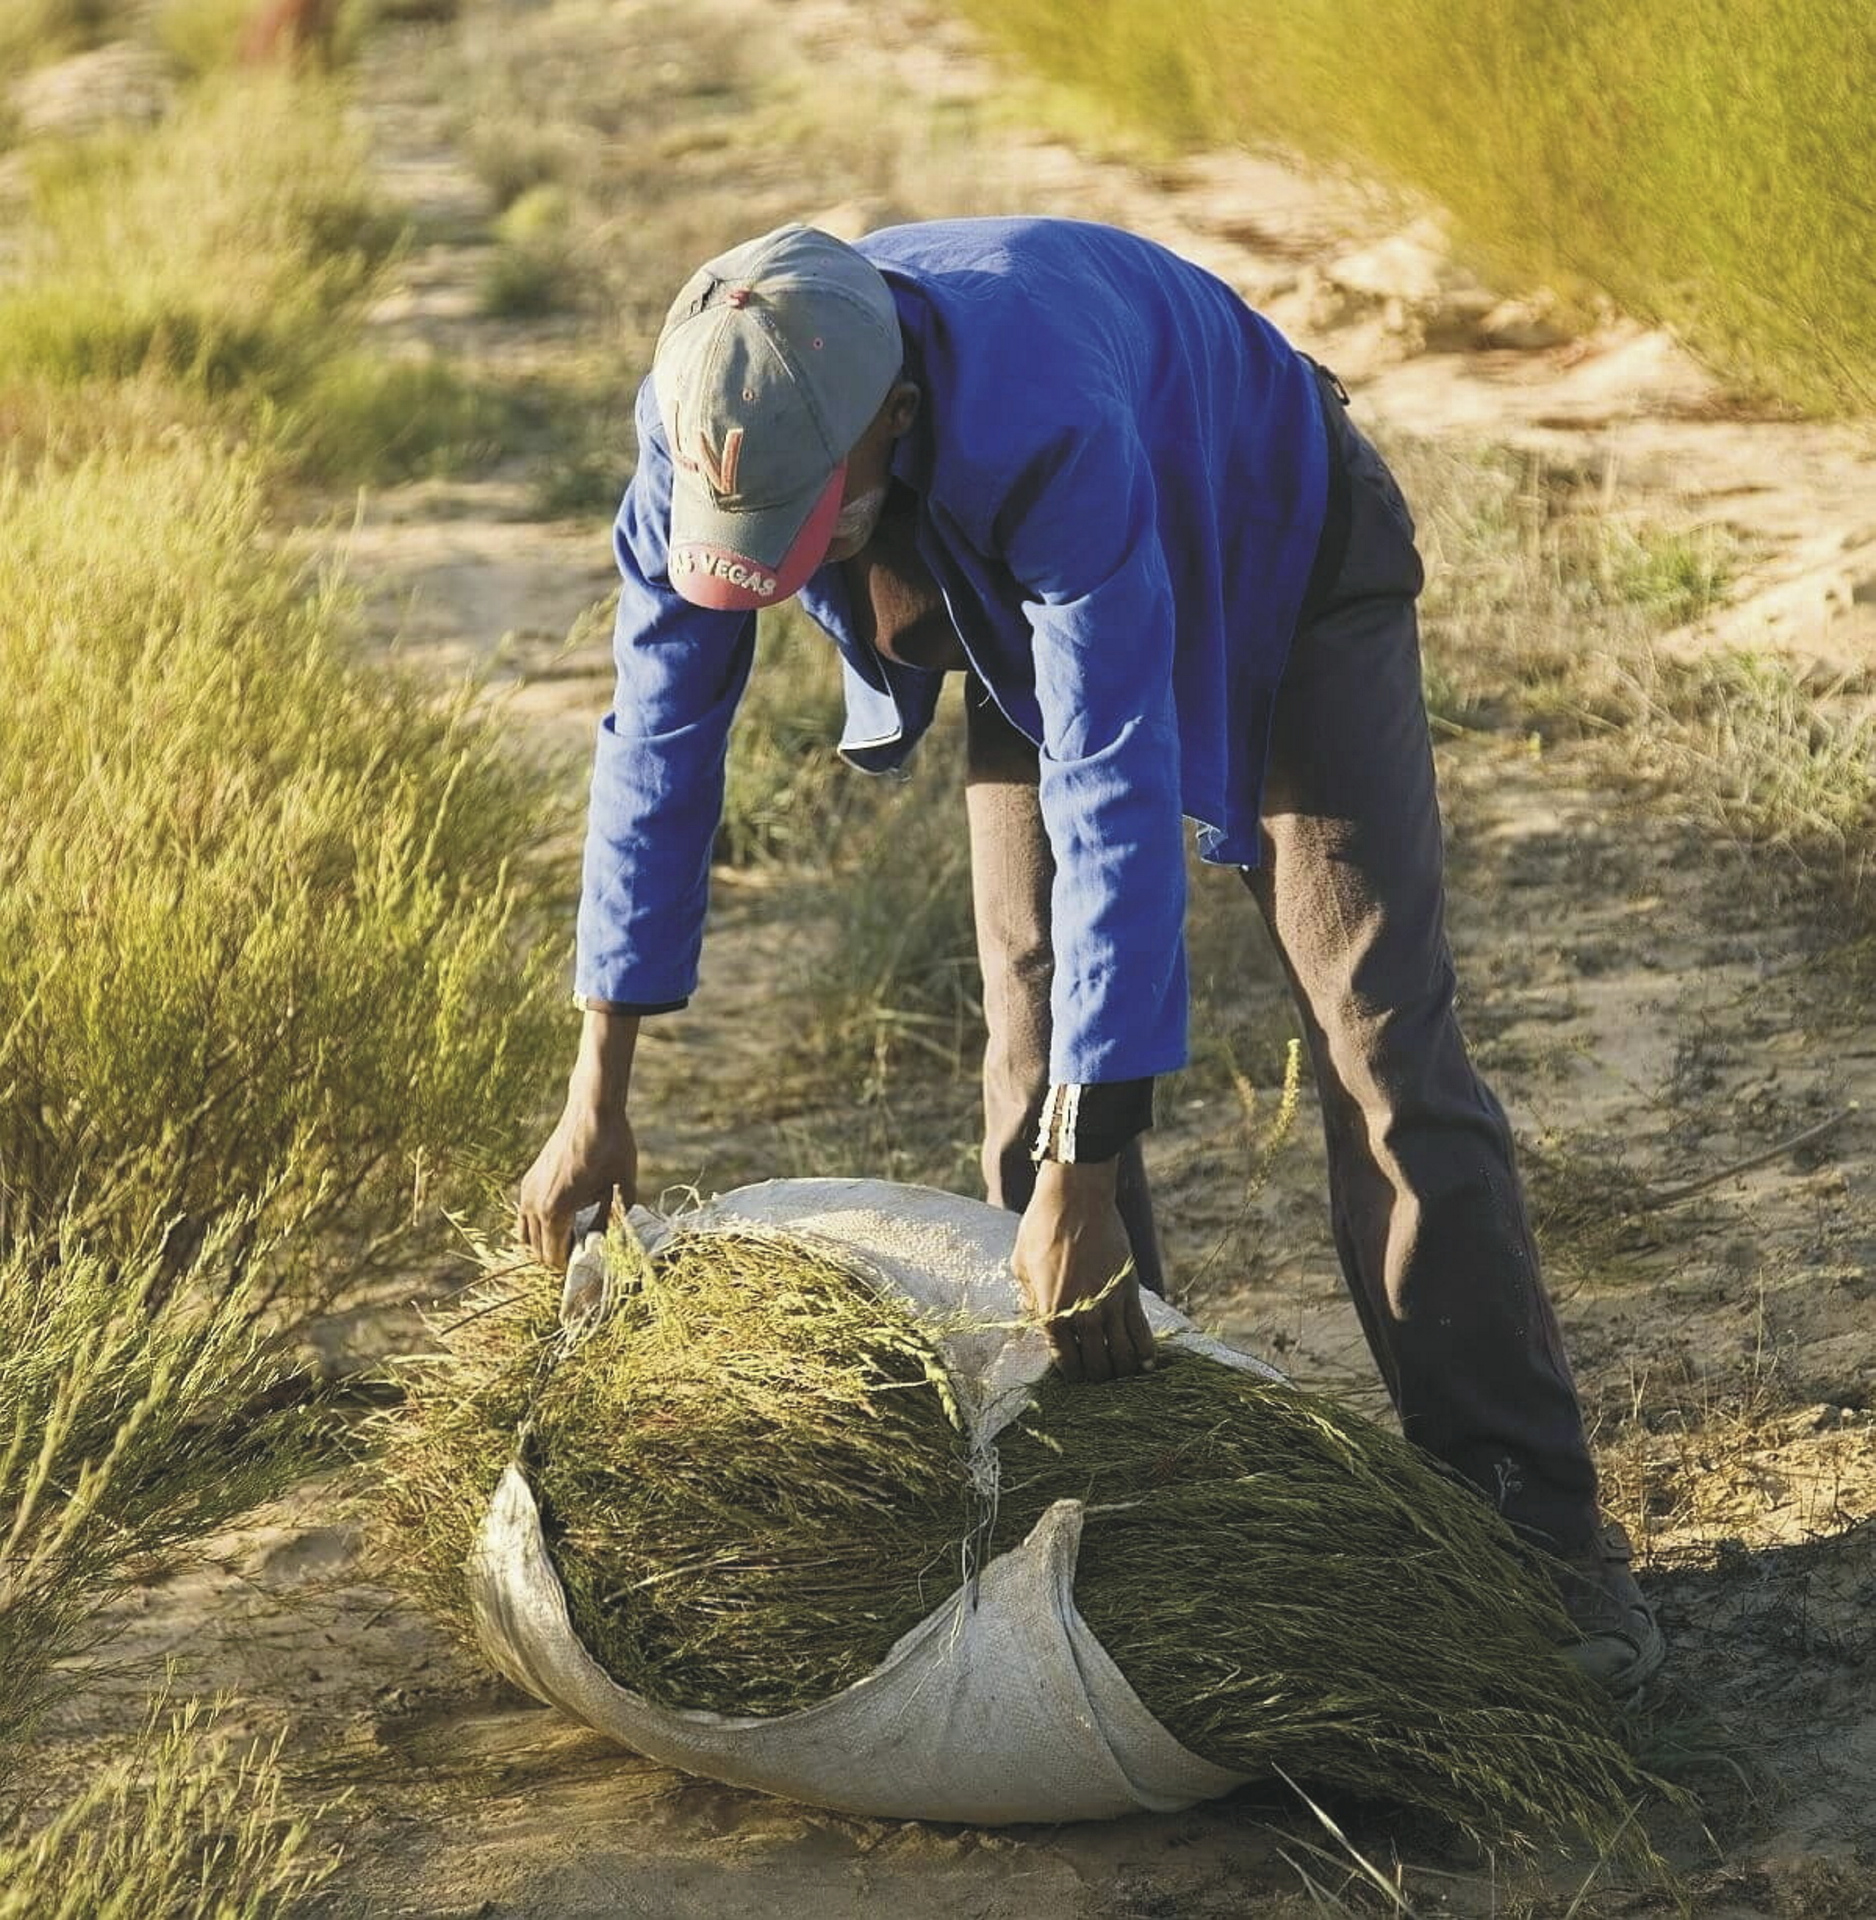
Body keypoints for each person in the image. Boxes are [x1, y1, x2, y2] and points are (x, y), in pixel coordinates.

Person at [516, 217, 1665, 1693]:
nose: (786, 542)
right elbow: (656, 745)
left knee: (1378, 1041)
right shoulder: (708, 416)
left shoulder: (1042, 416)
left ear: (896, 419)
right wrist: (596, 1092)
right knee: (1031, 1045)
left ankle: (1536, 1540)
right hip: (1010, 597)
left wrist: (1091, 1170)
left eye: (814, 515)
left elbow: (1113, 781)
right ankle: (1131, 1528)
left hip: (1266, 551)